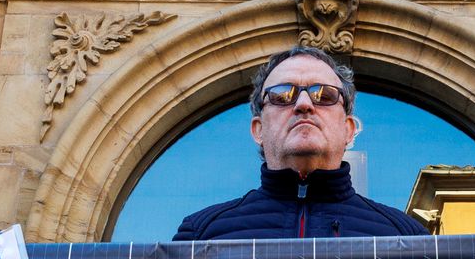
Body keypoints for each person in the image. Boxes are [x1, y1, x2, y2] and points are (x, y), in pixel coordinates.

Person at [173, 46, 429, 241]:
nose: (304, 104)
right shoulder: (201, 234)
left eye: (325, 95)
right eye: (283, 95)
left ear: (348, 130)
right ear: (258, 129)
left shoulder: (406, 236)